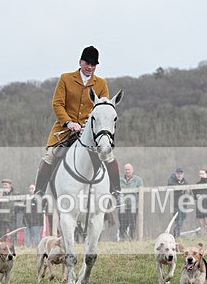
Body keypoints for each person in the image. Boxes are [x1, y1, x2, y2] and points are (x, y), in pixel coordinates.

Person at [32, 45, 122, 205]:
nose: (90, 67)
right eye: (87, 63)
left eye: (93, 65)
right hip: (65, 130)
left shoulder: (101, 84)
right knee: (50, 155)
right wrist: (69, 122)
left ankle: (116, 191)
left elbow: (102, 111)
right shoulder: (66, 79)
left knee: (108, 156)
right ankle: (38, 193)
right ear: (80, 62)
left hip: (89, 131)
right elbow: (57, 104)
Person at [118, 163, 144, 240]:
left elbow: (141, 193)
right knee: (122, 225)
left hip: (133, 207)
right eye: (126, 169)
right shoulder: (120, 181)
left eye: (129, 169)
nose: (127, 171)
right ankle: (123, 239)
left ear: (132, 170)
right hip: (122, 207)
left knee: (132, 225)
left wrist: (137, 202)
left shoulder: (138, 180)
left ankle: (132, 239)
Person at [167, 167, 189, 237]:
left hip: (183, 204)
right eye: (178, 174)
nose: (180, 175)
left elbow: (189, 192)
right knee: (178, 219)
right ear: (176, 174)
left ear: (183, 174)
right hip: (175, 204)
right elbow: (173, 187)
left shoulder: (185, 182)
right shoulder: (171, 181)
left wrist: (186, 193)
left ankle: (177, 233)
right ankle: (176, 234)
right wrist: (181, 189)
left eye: (181, 174)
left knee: (182, 218)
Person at [194, 168, 207, 237]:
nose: (201, 175)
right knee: (201, 223)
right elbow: (194, 194)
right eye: (200, 174)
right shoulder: (197, 184)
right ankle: (203, 237)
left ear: (206, 174)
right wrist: (196, 196)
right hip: (200, 205)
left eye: (202, 174)